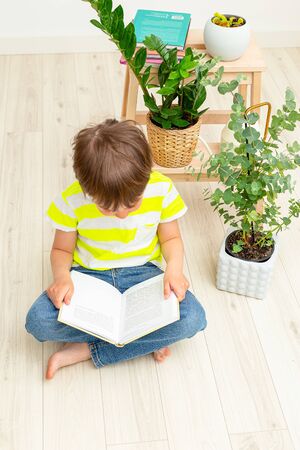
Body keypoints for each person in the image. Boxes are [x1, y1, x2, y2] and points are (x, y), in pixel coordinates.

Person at [25, 119, 207, 380]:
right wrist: (62, 278)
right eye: (108, 208)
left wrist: (174, 271)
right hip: (90, 277)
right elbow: (61, 250)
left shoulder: (161, 189)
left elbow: (171, 239)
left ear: (146, 175)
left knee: (194, 318)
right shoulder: (72, 200)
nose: (121, 214)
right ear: (87, 189)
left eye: (132, 203)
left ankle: (88, 349)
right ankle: (147, 338)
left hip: (144, 276)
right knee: (38, 321)